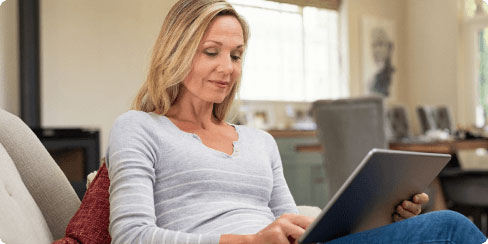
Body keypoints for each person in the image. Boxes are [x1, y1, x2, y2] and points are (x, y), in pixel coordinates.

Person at [106, 0, 488, 243]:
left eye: (236, 55)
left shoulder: (260, 141)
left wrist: (381, 216)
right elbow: (130, 235)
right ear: (175, 52)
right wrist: (252, 242)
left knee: (436, 228)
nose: (227, 68)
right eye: (211, 52)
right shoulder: (139, 128)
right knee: (450, 228)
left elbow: (299, 226)